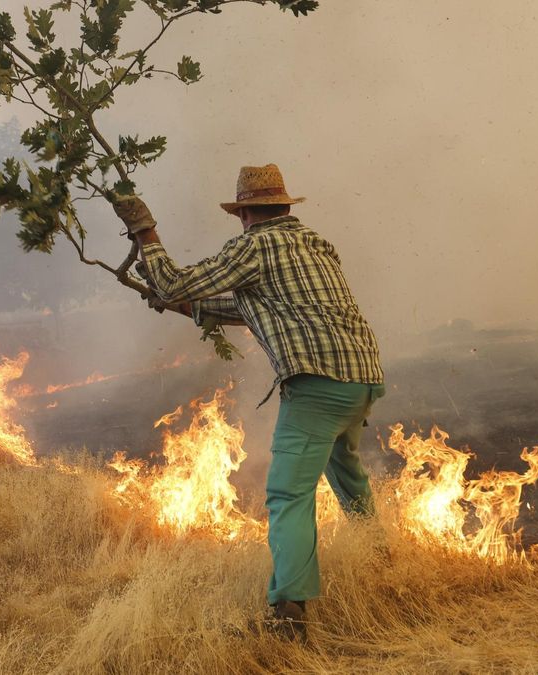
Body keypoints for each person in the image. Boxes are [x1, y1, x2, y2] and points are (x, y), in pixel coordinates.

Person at [113, 164, 385, 641]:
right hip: (361, 381)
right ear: (283, 206)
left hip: (317, 387)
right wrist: (177, 304)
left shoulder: (254, 247)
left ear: (244, 214)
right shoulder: (315, 244)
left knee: (287, 496)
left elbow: (175, 282)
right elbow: (253, 307)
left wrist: (144, 230)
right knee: (347, 475)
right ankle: (383, 561)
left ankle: (289, 614)